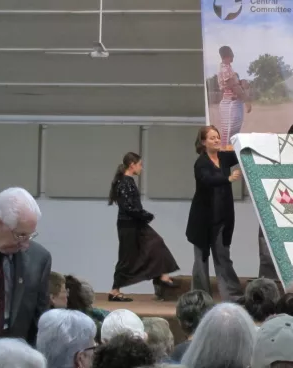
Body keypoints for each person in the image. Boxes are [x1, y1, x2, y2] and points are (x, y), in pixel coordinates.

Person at [0, 187, 52, 356]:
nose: (25, 245)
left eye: (30, 236)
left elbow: (40, 320)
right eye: (20, 235)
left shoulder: (39, 259)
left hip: (13, 359)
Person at [107, 152, 179, 302]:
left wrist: (143, 216)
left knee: (156, 242)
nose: (142, 168)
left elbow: (130, 207)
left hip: (135, 223)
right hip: (128, 225)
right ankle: (114, 291)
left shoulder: (128, 181)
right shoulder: (125, 182)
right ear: (132, 164)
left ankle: (161, 275)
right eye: (140, 164)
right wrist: (145, 215)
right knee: (127, 257)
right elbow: (128, 207)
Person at [186, 126, 244, 301]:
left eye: (218, 137)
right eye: (212, 138)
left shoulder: (224, 157)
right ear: (203, 142)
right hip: (202, 220)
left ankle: (233, 295)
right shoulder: (201, 163)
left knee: (223, 256)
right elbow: (207, 180)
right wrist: (227, 178)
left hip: (222, 218)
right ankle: (200, 298)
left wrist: (252, 140)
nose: (217, 140)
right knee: (201, 261)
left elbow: (242, 152)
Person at [217, 45, 250, 147]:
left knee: (231, 133)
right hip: (231, 103)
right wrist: (246, 101)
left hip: (231, 102)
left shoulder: (228, 68)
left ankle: (229, 152)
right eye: (231, 53)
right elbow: (233, 86)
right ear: (228, 54)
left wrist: (240, 82)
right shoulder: (225, 69)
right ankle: (228, 155)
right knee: (231, 133)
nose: (233, 56)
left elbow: (234, 84)